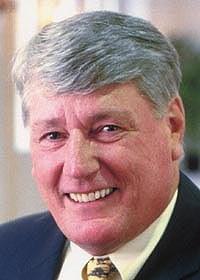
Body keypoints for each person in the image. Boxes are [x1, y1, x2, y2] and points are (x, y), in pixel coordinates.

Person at [1, 10, 200, 280]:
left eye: (108, 129)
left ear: (173, 126)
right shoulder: (6, 251)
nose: (77, 167)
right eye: (54, 135)